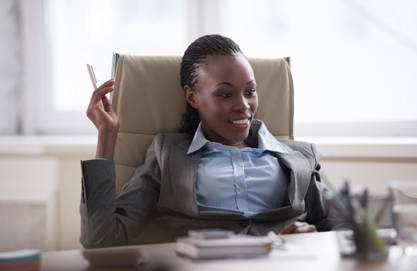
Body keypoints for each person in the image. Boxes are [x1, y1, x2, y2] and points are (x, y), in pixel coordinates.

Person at [80, 34, 330, 248]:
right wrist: (107, 134)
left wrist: (310, 239)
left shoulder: (302, 156)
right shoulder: (168, 154)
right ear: (192, 97)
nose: (243, 106)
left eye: (250, 92)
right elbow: (102, 239)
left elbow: (342, 230)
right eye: (225, 94)